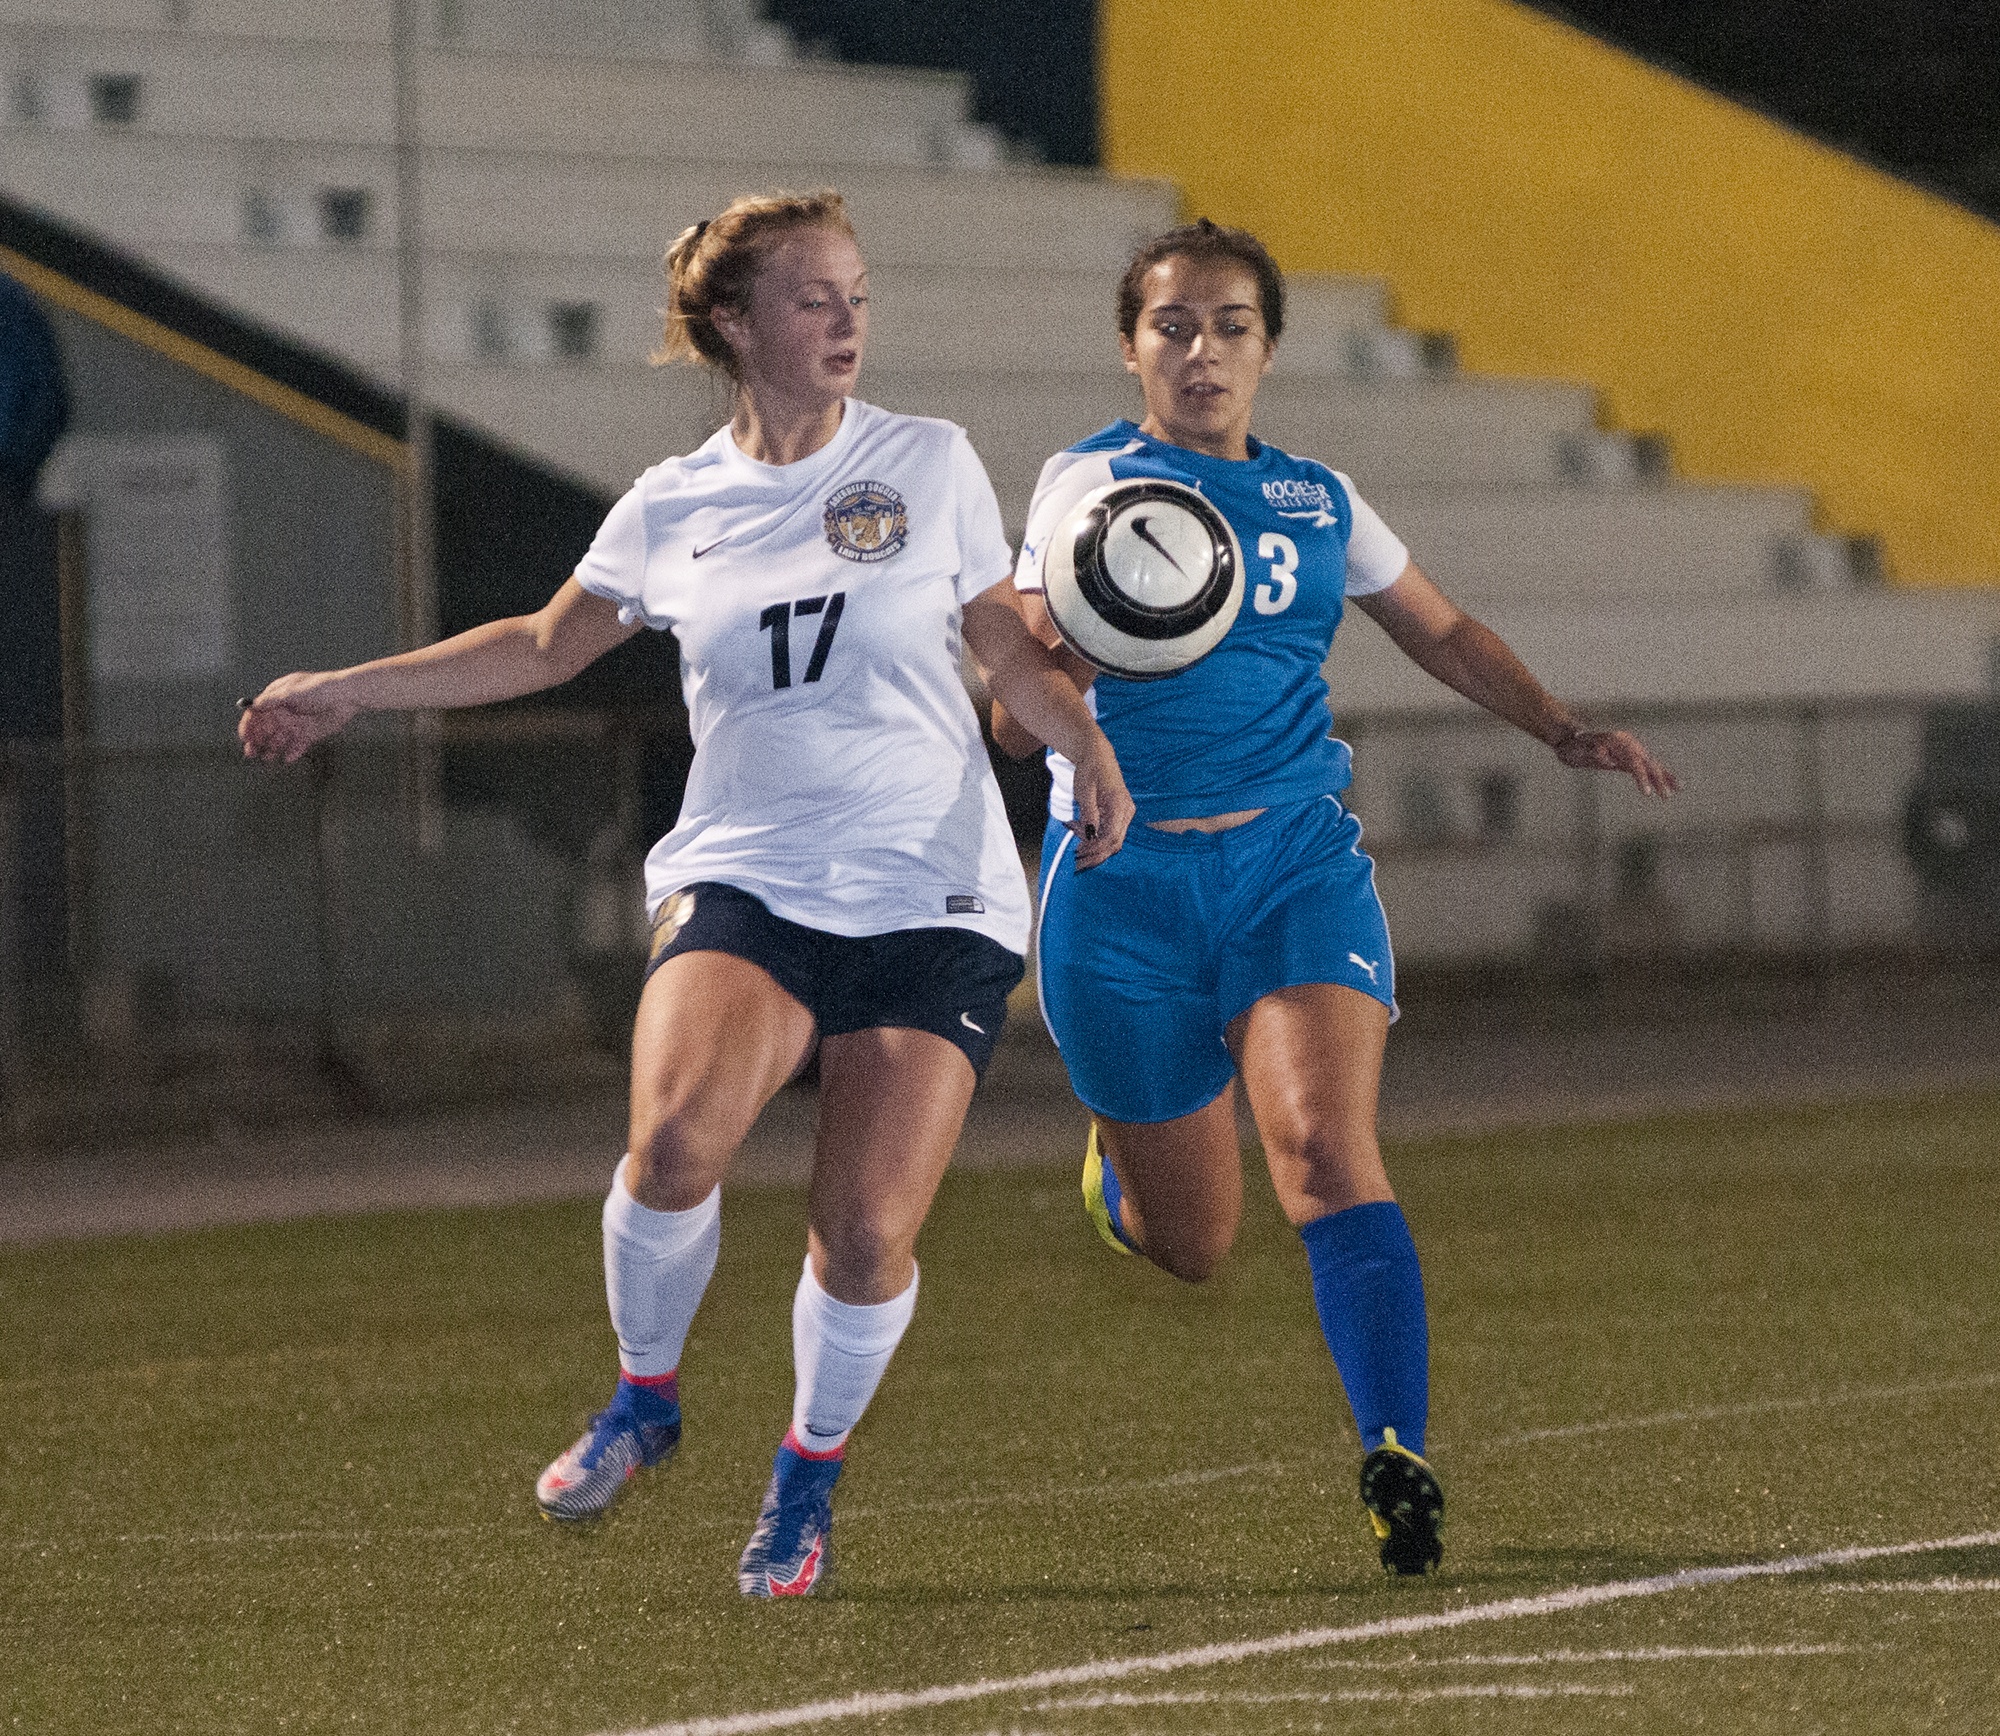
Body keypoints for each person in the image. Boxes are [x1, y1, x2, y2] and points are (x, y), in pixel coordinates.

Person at [240, 188, 1133, 1596]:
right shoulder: (673, 503)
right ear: (734, 321)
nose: (846, 321)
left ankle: (806, 1475)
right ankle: (644, 1399)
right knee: (670, 1144)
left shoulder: (929, 459)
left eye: (856, 295)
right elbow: (543, 645)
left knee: (863, 1234)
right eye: (812, 297)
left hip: (930, 887)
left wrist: (1082, 740)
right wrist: (348, 689)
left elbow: (1003, 647)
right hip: (750, 872)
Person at [994, 219, 1676, 1575]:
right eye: (1173, 325)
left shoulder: (1317, 502)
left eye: (1231, 325)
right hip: (1122, 888)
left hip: (1292, 865)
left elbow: (1441, 629)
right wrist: (1069, 650)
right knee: (1195, 1245)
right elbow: (1015, 719)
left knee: (1321, 1150)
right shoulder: (1086, 489)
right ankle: (1123, 1182)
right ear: (1130, 347)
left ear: (1268, 349)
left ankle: (1396, 1456)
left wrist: (1558, 726)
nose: (1201, 351)